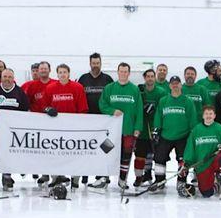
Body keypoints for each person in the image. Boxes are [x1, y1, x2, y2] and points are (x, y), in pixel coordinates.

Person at [0, 67, 30, 189]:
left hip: (11, 131)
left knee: (8, 153)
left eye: (9, 77)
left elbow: (26, 110)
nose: (7, 79)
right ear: (1, 78)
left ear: (13, 78)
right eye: (5, 77)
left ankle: (7, 177)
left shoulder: (19, 92)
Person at [96, 62, 143, 190]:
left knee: (126, 155)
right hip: (111, 131)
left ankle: (122, 179)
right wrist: (112, 111)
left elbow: (139, 110)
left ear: (129, 73)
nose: (123, 74)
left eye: (125, 71)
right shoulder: (109, 88)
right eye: (121, 71)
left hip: (128, 129)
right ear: (118, 72)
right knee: (107, 152)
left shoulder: (134, 89)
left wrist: (137, 128)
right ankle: (104, 178)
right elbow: (102, 104)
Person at [45, 63, 90, 188]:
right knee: (56, 153)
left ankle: (75, 178)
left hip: (73, 127)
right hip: (56, 127)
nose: (62, 75)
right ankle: (55, 177)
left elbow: (83, 108)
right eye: (60, 72)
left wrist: (80, 124)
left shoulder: (77, 87)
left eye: (65, 72)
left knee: (75, 153)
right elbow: (44, 105)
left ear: (69, 73)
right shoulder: (50, 88)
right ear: (57, 74)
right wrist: (48, 109)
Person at [152, 77, 199, 193]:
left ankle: (181, 182)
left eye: (177, 84)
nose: (175, 86)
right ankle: (159, 181)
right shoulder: (163, 101)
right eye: (173, 84)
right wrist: (156, 130)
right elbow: (158, 116)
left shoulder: (187, 101)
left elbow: (192, 118)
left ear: (181, 85)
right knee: (159, 158)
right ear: (169, 86)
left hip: (183, 136)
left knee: (183, 160)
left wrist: (193, 133)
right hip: (165, 135)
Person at [179, 106, 221, 199]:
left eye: (211, 114)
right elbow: (190, 148)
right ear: (203, 116)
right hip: (203, 164)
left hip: (215, 159)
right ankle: (216, 186)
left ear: (214, 116)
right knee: (207, 193)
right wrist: (186, 164)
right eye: (206, 114)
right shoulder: (196, 130)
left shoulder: (220, 129)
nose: (208, 116)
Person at [135, 68, 166, 187]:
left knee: (155, 154)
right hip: (142, 127)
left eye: (152, 76)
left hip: (155, 127)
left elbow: (164, 107)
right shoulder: (140, 91)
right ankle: (141, 176)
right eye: (148, 76)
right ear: (144, 78)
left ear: (155, 77)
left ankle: (160, 178)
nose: (150, 78)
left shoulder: (161, 92)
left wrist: (155, 110)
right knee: (140, 154)